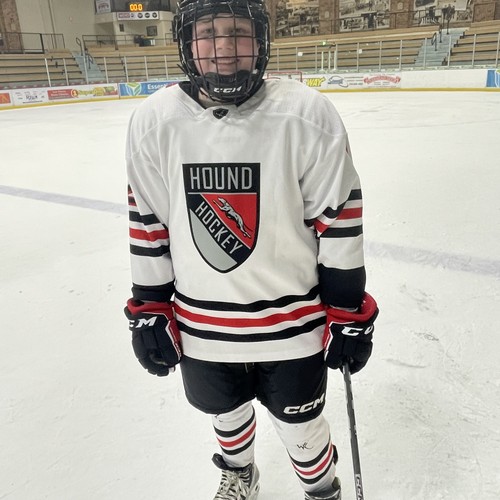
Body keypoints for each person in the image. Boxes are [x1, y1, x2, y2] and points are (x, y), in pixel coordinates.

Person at [124, 0, 379, 499]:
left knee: (302, 428)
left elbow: (339, 216)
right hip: (204, 328)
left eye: (237, 31)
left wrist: (348, 308)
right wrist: (149, 305)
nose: (223, 47)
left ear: (260, 39)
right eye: (209, 33)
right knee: (225, 412)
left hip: (294, 327)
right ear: (187, 42)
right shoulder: (154, 122)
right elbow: (148, 222)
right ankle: (241, 473)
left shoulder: (305, 114)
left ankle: (321, 489)